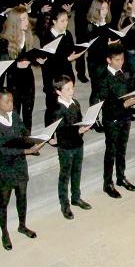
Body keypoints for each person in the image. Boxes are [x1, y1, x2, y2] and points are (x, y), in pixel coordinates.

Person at [0, 89, 44, 250]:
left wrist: (32, 141)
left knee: (22, 196)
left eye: (12, 101)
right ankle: (4, 233)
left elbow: (23, 130)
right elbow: (4, 150)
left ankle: (22, 225)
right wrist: (27, 151)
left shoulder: (14, 114)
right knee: (3, 201)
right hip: (5, 167)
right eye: (7, 101)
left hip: (19, 164)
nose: (11, 104)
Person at [98, 44, 135, 198]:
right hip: (112, 120)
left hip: (125, 117)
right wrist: (126, 104)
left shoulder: (124, 72)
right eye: (117, 60)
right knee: (111, 152)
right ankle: (107, 183)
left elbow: (128, 92)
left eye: (122, 59)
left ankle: (121, 177)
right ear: (108, 60)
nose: (120, 63)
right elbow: (105, 104)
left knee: (122, 151)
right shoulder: (103, 78)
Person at [0, 6, 43, 132]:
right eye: (23, 19)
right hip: (14, 81)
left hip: (28, 79)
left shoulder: (27, 35)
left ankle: (28, 139)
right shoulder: (4, 42)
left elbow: (29, 55)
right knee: (15, 113)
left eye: (26, 18)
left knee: (28, 112)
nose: (27, 22)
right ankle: (17, 141)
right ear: (15, 22)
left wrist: (37, 60)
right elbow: (0, 67)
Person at [52, 76, 93, 219]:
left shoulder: (75, 103)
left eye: (72, 87)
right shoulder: (56, 109)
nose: (71, 91)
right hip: (65, 147)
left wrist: (84, 126)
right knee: (65, 176)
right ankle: (65, 204)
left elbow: (79, 120)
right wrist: (78, 131)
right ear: (58, 91)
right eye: (67, 89)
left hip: (78, 144)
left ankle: (76, 197)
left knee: (77, 172)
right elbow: (60, 131)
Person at [40, 9, 83, 126]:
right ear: (54, 21)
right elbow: (49, 61)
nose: (66, 23)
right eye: (62, 21)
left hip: (66, 72)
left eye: (67, 20)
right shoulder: (47, 37)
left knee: (66, 102)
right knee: (52, 105)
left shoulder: (67, 34)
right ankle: (50, 133)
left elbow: (70, 51)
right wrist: (67, 59)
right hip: (52, 76)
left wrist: (75, 53)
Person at [68, 0, 102, 83]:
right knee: (81, 46)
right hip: (81, 19)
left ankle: (93, 71)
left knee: (94, 47)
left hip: (94, 19)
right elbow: (72, 4)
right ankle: (81, 73)